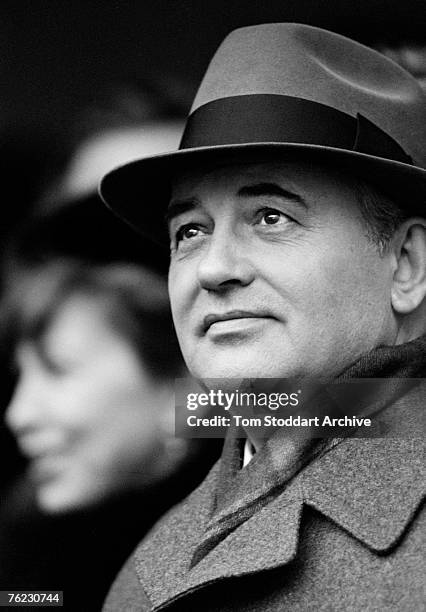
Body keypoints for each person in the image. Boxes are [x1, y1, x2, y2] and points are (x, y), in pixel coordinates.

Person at [100, 24, 426, 611]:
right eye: (190, 231)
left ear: (406, 265)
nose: (213, 268)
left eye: (271, 216)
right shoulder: (149, 561)